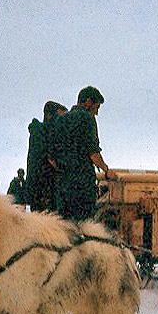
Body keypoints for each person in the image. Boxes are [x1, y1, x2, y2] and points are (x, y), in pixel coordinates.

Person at [50, 86, 116, 221]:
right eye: (96, 107)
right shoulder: (87, 119)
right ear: (88, 102)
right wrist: (106, 171)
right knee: (85, 227)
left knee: (66, 227)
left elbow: (51, 157)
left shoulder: (60, 120)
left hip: (62, 186)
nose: (96, 113)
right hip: (82, 185)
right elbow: (94, 154)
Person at [26, 101, 67, 212]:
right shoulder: (44, 133)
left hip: (39, 186)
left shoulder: (40, 132)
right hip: (45, 186)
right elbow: (50, 158)